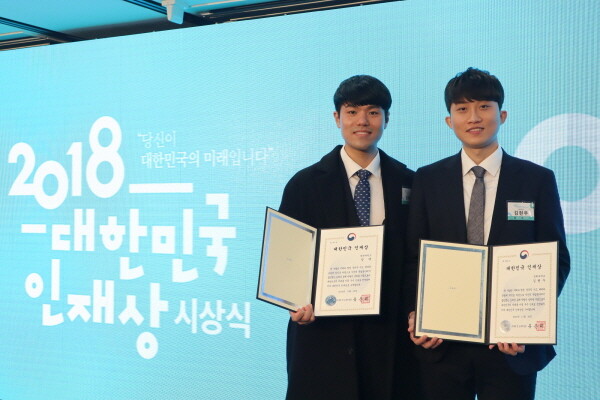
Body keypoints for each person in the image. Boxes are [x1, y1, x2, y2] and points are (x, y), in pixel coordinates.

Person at [404, 67, 571, 400]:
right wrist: (415, 313)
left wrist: (527, 320)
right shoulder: (428, 179)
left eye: (484, 106)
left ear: (502, 115)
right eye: (462, 109)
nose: (474, 117)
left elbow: (557, 259)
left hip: (510, 346)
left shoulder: (536, 180)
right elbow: (413, 257)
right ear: (449, 121)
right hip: (443, 343)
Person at [278, 75, 418, 399]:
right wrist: (293, 301)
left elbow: (417, 258)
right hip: (323, 336)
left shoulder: (409, 182)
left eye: (373, 112)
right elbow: (287, 257)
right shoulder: (305, 184)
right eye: (352, 112)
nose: (362, 121)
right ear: (337, 118)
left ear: (386, 118)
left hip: (390, 338)